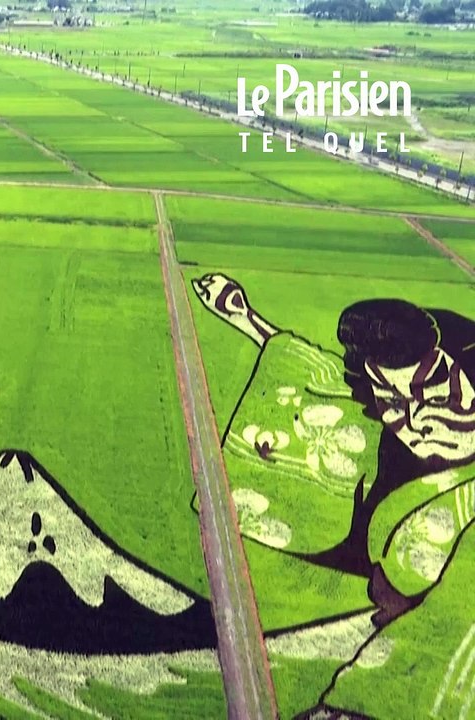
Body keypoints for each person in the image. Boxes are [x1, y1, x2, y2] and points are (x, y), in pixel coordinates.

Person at [193, 273, 475, 717]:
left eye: (431, 393)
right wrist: (242, 315)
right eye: (394, 403)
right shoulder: (384, 443)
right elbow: (315, 370)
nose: (418, 418)